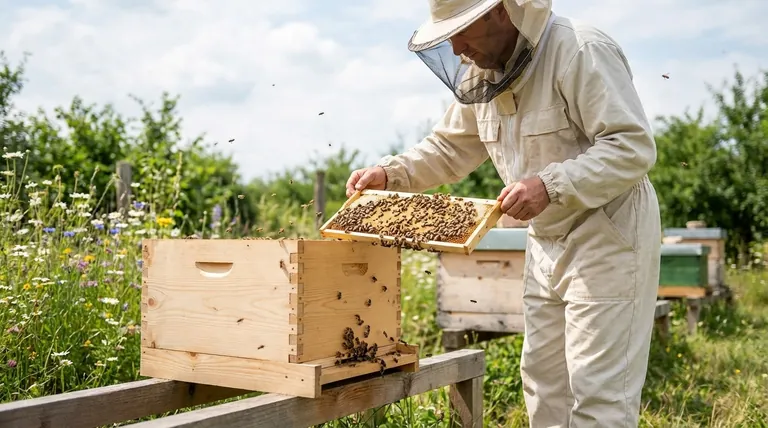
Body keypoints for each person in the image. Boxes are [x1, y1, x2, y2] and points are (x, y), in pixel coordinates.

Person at [345, 0, 662, 426]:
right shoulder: (483, 72)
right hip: (546, 240)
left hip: (608, 234)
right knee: (543, 382)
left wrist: (550, 185)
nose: (456, 48)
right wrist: (390, 173)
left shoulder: (579, 50)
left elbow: (631, 147)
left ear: (499, 12)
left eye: (462, 30)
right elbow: (449, 147)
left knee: (598, 393)